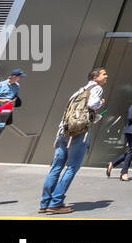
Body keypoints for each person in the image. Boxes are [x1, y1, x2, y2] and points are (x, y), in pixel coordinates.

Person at [39, 67, 107, 215]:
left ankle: (45, 203)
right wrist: (101, 103)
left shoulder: (79, 91)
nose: (106, 76)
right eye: (104, 74)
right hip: (79, 132)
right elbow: (92, 105)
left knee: (56, 167)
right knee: (72, 167)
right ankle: (56, 202)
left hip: (64, 131)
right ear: (95, 78)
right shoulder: (96, 89)